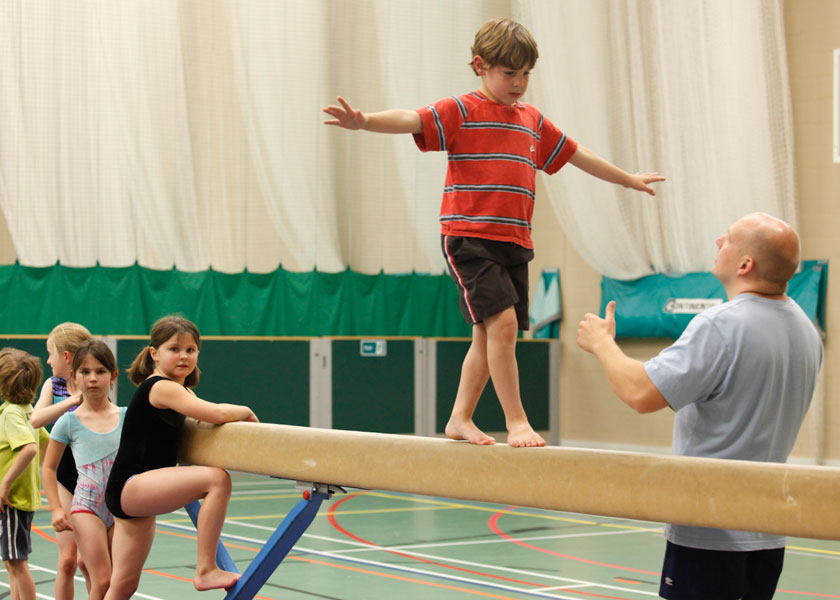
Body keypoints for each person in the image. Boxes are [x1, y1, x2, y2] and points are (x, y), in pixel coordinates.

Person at [323, 17, 664, 447]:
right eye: (509, 73)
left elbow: (577, 154)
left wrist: (625, 178)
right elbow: (412, 118)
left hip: (514, 242)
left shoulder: (532, 121)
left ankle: (459, 418)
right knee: (502, 325)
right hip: (468, 237)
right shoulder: (462, 110)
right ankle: (517, 420)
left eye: (526, 74)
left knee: (489, 335)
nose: (519, 83)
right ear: (480, 66)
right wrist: (364, 120)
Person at [576, 212, 823, 600]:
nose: (717, 241)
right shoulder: (807, 331)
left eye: (728, 239)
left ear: (745, 264)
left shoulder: (721, 324)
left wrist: (602, 343)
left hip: (711, 530)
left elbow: (641, 393)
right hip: (768, 529)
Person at [103, 316, 258, 599]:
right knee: (217, 480)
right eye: (174, 349)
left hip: (128, 491)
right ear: (154, 353)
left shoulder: (180, 390)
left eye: (190, 350)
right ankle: (206, 569)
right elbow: (216, 414)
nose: (183, 356)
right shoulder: (161, 386)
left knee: (123, 586)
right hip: (133, 484)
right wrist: (245, 410)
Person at [42, 340, 125, 600]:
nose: (92, 378)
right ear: (74, 377)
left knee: (117, 584)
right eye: (85, 372)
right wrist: (56, 507)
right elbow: (49, 466)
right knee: (103, 580)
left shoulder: (125, 416)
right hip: (86, 507)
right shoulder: (68, 421)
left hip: (119, 507)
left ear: (113, 376)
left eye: (100, 372)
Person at [30, 322, 92, 599]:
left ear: (66, 357)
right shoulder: (52, 385)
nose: (48, 360)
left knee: (88, 561)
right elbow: (36, 419)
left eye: (51, 353)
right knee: (68, 560)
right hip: (64, 476)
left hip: (92, 475)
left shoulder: (92, 381)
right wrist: (71, 401)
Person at [0, 348, 44, 600]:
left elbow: (29, 449)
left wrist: (5, 483)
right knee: (11, 562)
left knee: (17, 562)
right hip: (20, 500)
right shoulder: (27, 410)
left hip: (12, 501)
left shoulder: (12, 414)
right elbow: (44, 441)